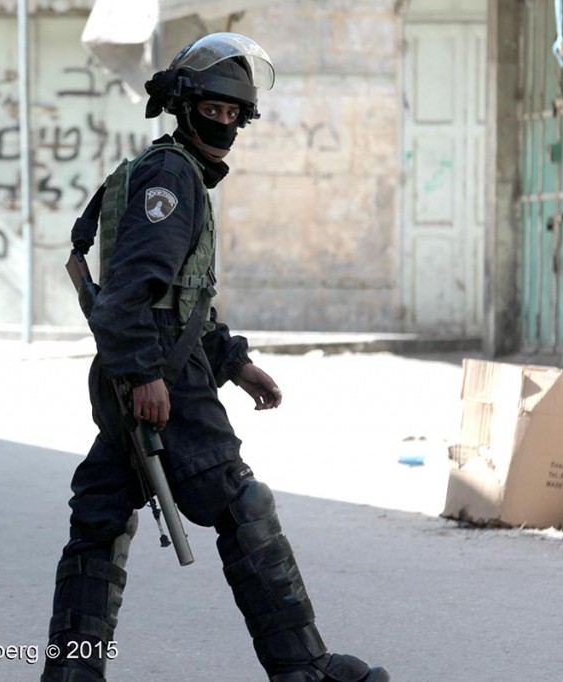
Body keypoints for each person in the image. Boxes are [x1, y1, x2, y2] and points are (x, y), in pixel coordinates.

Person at [40, 33, 390, 682]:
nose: (224, 123)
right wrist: (147, 373)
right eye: (214, 109)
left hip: (145, 371)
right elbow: (129, 294)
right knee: (240, 504)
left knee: (99, 521)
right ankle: (301, 668)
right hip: (161, 379)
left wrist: (235, 363)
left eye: (235, 114)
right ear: (185, 106)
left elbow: (183, 300)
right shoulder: (170, 176)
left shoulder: (169, 171)